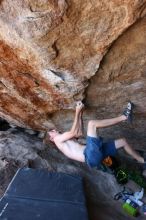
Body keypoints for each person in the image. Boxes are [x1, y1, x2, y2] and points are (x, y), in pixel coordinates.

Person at [43, 101, 146, 174]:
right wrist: (77, 111)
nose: (54, 130)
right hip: (90, 155)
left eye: (52, 129)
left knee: (122, 142)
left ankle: (142, 161)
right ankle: (124, 117)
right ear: (51, 138)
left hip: (94, 156)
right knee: (92, 124)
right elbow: (73, 132)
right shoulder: (57, 140)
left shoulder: (64, 140)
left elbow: (78, 133)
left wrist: (80, 113)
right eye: (51, 132)